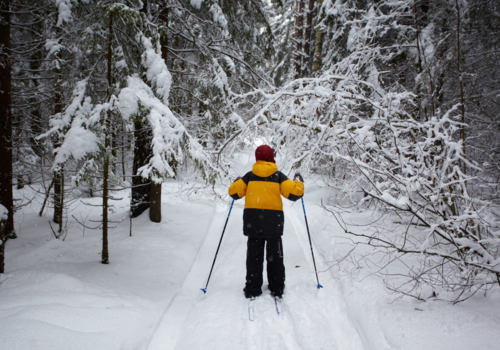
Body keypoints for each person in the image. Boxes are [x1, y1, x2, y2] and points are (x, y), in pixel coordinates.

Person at [228, 145, 304, 299]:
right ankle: (276, 287)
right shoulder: (278, 176)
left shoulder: (249, 176)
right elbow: (295, 194)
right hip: (273, 223)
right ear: (271, 158)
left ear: (257, 158)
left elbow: (234, 193)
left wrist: (236, 182)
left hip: (253, 222)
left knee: (254, 256)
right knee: (275, 257)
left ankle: (252, 287)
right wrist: (298, 181)